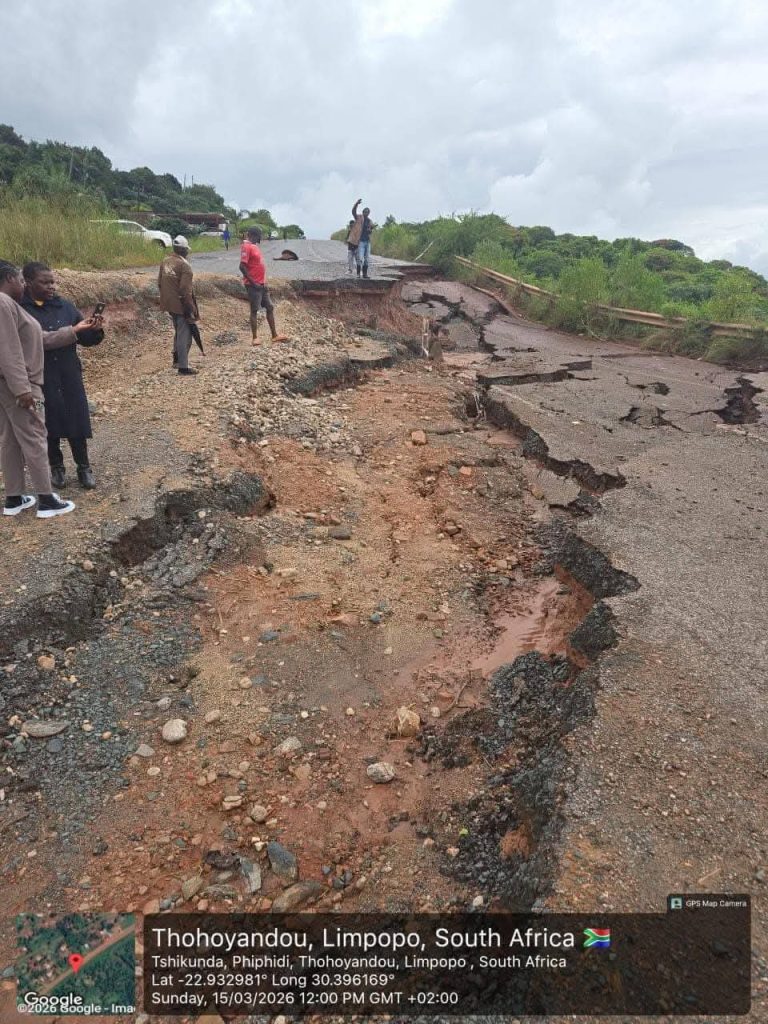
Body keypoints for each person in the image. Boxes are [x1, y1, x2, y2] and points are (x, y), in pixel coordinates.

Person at [0, 259, 93, 519]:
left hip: (11, 385)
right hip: (22, 385)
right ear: (9, 279)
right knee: (35, 436)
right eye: (19, 279)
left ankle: (14, 497)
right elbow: (8, 351)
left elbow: (39, 338)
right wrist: (22, 389)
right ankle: (47, 499)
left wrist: (76, 331)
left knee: (9, 440)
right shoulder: (5, 304)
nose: (21, 284)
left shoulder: (10, 307)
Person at [21, 262, 104, 490]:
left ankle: (84, 467)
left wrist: (94, 330)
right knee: (49, 423)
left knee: (76, 418)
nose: (51, 287)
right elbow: (38, 341)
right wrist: (74, 330)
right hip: (42, 375)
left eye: (53, 282)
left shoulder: (65, 306)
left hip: (68, 373)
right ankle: (57, 468)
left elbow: (84, 340)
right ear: (28, 283)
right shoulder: (22, 311)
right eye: (45, 282)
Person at [239, 227, 289, 346]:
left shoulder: (254, 246)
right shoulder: (246, 246)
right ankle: (255, 338)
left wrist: (263, 282)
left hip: (261, 284)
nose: (261, 238)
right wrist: (253, 283)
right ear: (255, 235)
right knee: (254, 310)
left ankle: (274, 335)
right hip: (253, 285)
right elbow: (242, 267)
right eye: (260, 235)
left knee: (270, 307)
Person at [158, 235, 199, 376]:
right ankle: (183, 367)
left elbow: (159, 283)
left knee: (178, 331)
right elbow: (185, 290)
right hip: (180, 304)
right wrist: (191, 308)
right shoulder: (185, 266)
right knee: (185, 335)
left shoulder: (165, 261)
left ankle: (176, 360)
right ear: (184, 251)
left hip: (168, 303)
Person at [350, 199, 374, 278]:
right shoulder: (359, 218)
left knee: (367, 259)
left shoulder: (370, 221)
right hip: (360, 242)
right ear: (363, 212)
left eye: (368, 212)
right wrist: (356, 203)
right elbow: (353, 211)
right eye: (365, 211)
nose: (366, 213)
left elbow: (370, 231)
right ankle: (358, 274)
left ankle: (365, 274)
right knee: (360, 258)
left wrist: (370, 230)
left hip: (367, 241)